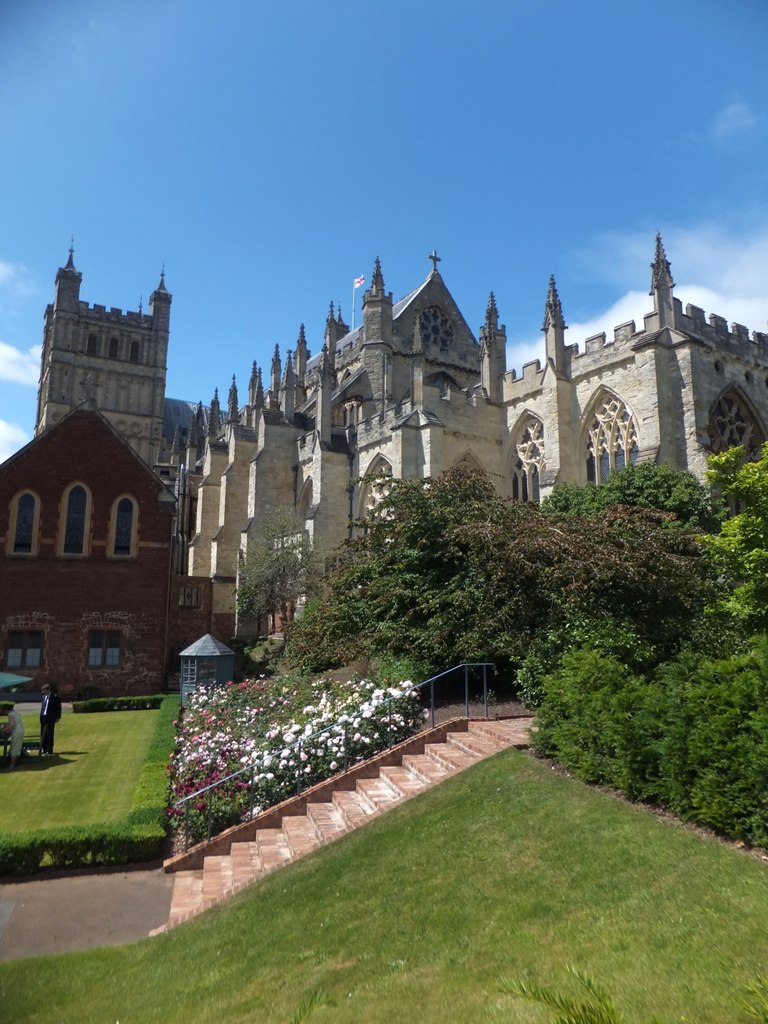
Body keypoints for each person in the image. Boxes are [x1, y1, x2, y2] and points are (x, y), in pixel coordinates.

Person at [40, 682, 62, 756]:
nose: (43, 692)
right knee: (43, 733)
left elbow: (58, 708)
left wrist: (58, 717)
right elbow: (43, 707)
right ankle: (44, 748)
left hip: (50, 717)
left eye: (44, 690)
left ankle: (50, 750)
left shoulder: (55, 697)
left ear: (48, 690)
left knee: (50, 733)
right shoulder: (43, 697)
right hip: (43, 717)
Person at [1, 702, 25, 769]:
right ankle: (15, 762)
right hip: (20, 731)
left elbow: (12, 724)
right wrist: (6, 729)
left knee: (14, 748)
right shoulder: (15, 713)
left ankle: (12, 765)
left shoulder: (10, 714)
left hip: (17, 732)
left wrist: (3, 730)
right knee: (16, 747)